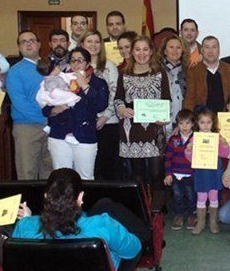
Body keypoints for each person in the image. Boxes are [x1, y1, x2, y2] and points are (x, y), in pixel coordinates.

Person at [12, 168, 142, 270]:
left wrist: (27, 220)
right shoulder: (102, 225)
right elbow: (133, 249)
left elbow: (18, 262)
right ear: (80, 197)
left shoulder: (25, 227)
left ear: (46, 196)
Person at [43, 47, 109, 180]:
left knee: (85, 178)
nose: (76, 64)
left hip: (84, 135)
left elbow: (100, 105)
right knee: (61, 178)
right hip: (59, 135)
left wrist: (85, 86)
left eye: (80, 60)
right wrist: (54, 110)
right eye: (73, 60)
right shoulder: (59, 80)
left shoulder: (98, 83)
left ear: (88, 63)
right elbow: (45, 108)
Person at [114, 36, 171, 190]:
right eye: (137, 49)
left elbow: (166, 100)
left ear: (151, 51)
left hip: (154, 130)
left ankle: (157, 210)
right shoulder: (124, 74)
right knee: (137, 176)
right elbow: (118, 99)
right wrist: (122, 109)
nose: (141, 53)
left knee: (156, 174)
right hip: (131, 130)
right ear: (132, 52)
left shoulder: (160, 73)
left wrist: (164, 117)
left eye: (145, 49)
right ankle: (142, 210)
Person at [7, 31, 53, 180]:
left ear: (39, 44)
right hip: (27, 127)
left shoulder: (50, 66)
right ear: (19, 48)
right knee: (27, 173)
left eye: (31, 40)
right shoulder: (15, 71)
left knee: (50, 171)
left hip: (52, 127)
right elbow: (20, 102)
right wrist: (45, 117)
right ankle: (28, 204)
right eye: (23, 42)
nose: (28, 44)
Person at [80, 31, 121, 181]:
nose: (93, 45)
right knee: (89, 168)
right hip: (84, 124)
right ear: (82, 44)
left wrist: (105, 116)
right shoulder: (77, 66)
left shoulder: (109, 66)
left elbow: (115, 93)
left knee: (107, 166)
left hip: (108, 123)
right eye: (89, 41)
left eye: (97, 42)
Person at [185, 109, 230, 235]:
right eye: (202, 122)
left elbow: (225, 154)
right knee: (201, 197)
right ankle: (200, 223)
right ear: (197, 123)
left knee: (213, 196)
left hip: (214, 171)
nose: (205, 125)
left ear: (213, 123)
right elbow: (189, 158)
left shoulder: (217, 137)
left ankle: (213, 222)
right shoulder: (194, 138)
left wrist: (224, 144)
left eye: (209, 122)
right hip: (201, 172)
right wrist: (189, 150)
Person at [183, 36, 230, 113]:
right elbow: (189, 100)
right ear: (202, 51)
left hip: (227, 121)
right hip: (202, 121)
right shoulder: (193, 72)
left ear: (219, 50)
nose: (210, 51)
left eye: (214, 47)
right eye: (207, 47)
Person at [164, 109, 196, 231]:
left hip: (191, 174)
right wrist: (168, 174)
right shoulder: (173, 140)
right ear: (177, 124)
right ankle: (178, 215)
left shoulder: (197, 138)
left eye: (187, 123)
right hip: (175, 175)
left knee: (191, 196)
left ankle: (192, 215)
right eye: (181, 123)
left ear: (193, 124)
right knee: (178, 196)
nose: (184, 126)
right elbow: (167, 158)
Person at [159, 35, 189, 136]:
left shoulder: (188, 71)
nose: (175, 50)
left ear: (182, 51)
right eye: (171, 47)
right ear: (164, 50)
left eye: (178, 47)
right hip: (160, 122)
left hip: (183, 122)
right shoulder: (156, 70)